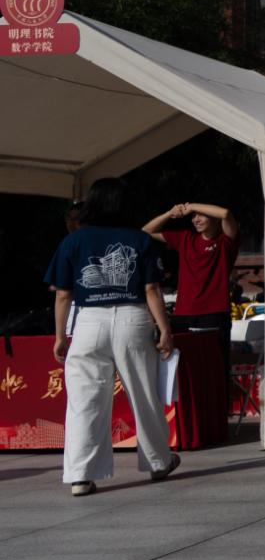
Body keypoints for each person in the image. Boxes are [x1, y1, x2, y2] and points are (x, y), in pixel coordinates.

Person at [45, 177, 179, 496]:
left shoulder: (74, 241)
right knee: (143, 393)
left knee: (84, 400)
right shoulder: (140, 239)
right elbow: (151, 288)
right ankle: (158, 461)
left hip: (89, 320)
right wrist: (164, 329)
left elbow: (63, 294)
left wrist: (60, 336)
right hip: (133, 317)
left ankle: (81, 475)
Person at [144, 200, 240, 385]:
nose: (196, 219)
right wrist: (170, 213)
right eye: (193, 216)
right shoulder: (185, 238)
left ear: (213, 217)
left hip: (214, 314)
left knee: (215, 370)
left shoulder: (225, 241)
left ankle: (218, 404)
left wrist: (192, 206)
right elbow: (146, 232)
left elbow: (226, 213)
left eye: (201, 215)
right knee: (183, 369)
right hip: (183, 314)